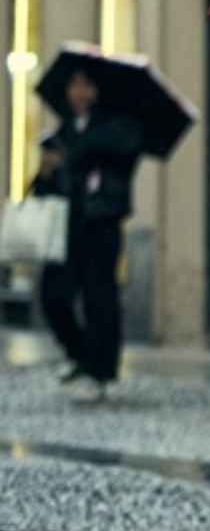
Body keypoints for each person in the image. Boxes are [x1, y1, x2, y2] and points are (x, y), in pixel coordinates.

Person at [34, 68, 142, 404]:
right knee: (54, 293)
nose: (79, 93)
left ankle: (99, 371)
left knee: (100, 297)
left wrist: (81, 148)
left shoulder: (118, 126)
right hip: (67, 225)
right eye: (74, 85)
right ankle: (79, 354)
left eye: (86, 85)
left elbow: (120, 152)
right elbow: (45, 187)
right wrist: (46, 173)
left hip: (101, 221)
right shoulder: (64, 131)